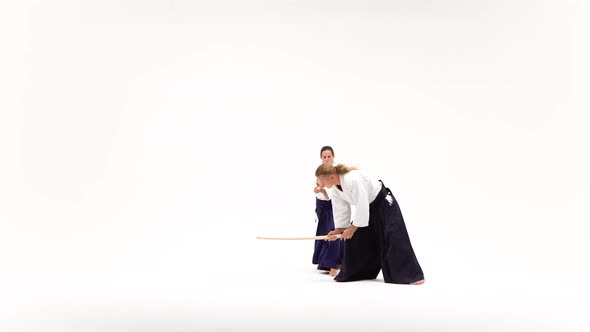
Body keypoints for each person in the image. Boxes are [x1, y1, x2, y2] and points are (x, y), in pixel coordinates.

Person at [316, 163, 425, 284]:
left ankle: (413, 276)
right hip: (368, 209)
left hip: (383, 204)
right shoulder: (336, 189)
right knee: (357, 240)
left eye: (322, 182)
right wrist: (339, 230)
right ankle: (361, 272)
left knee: (393, 238)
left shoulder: (352, 179)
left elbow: (362, 203)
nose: (322, 185)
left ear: (331, 176)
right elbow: (342, 210)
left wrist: (352, 229)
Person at [312, 146, 344, 277]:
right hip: (322, 205)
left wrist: (324, 191)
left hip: (334, 204)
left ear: (333, 156)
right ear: (321, 158)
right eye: (324, 157)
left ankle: (333, 264)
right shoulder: (319, 171)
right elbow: (320, 191)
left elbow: (334, 191)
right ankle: (326, 261)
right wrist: (320, 190)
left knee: (334, 231)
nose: (326, 159)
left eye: (329, 156)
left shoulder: (336, 171)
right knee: (325, 232)